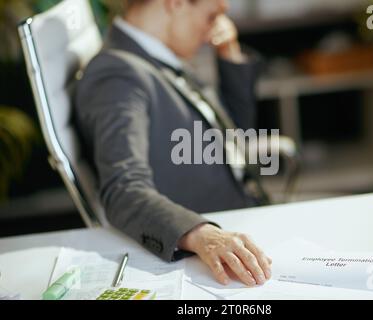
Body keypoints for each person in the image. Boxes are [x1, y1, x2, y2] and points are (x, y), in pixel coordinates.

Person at [75, 0, 272, 287]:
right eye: (211, 16)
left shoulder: (155, 56)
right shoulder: (116, 76)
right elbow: (123, 189)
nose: (213, 31)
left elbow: (235, 137)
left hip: (247, 217)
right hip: (215, 239)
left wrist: (229, 54)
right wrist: (203, 235)